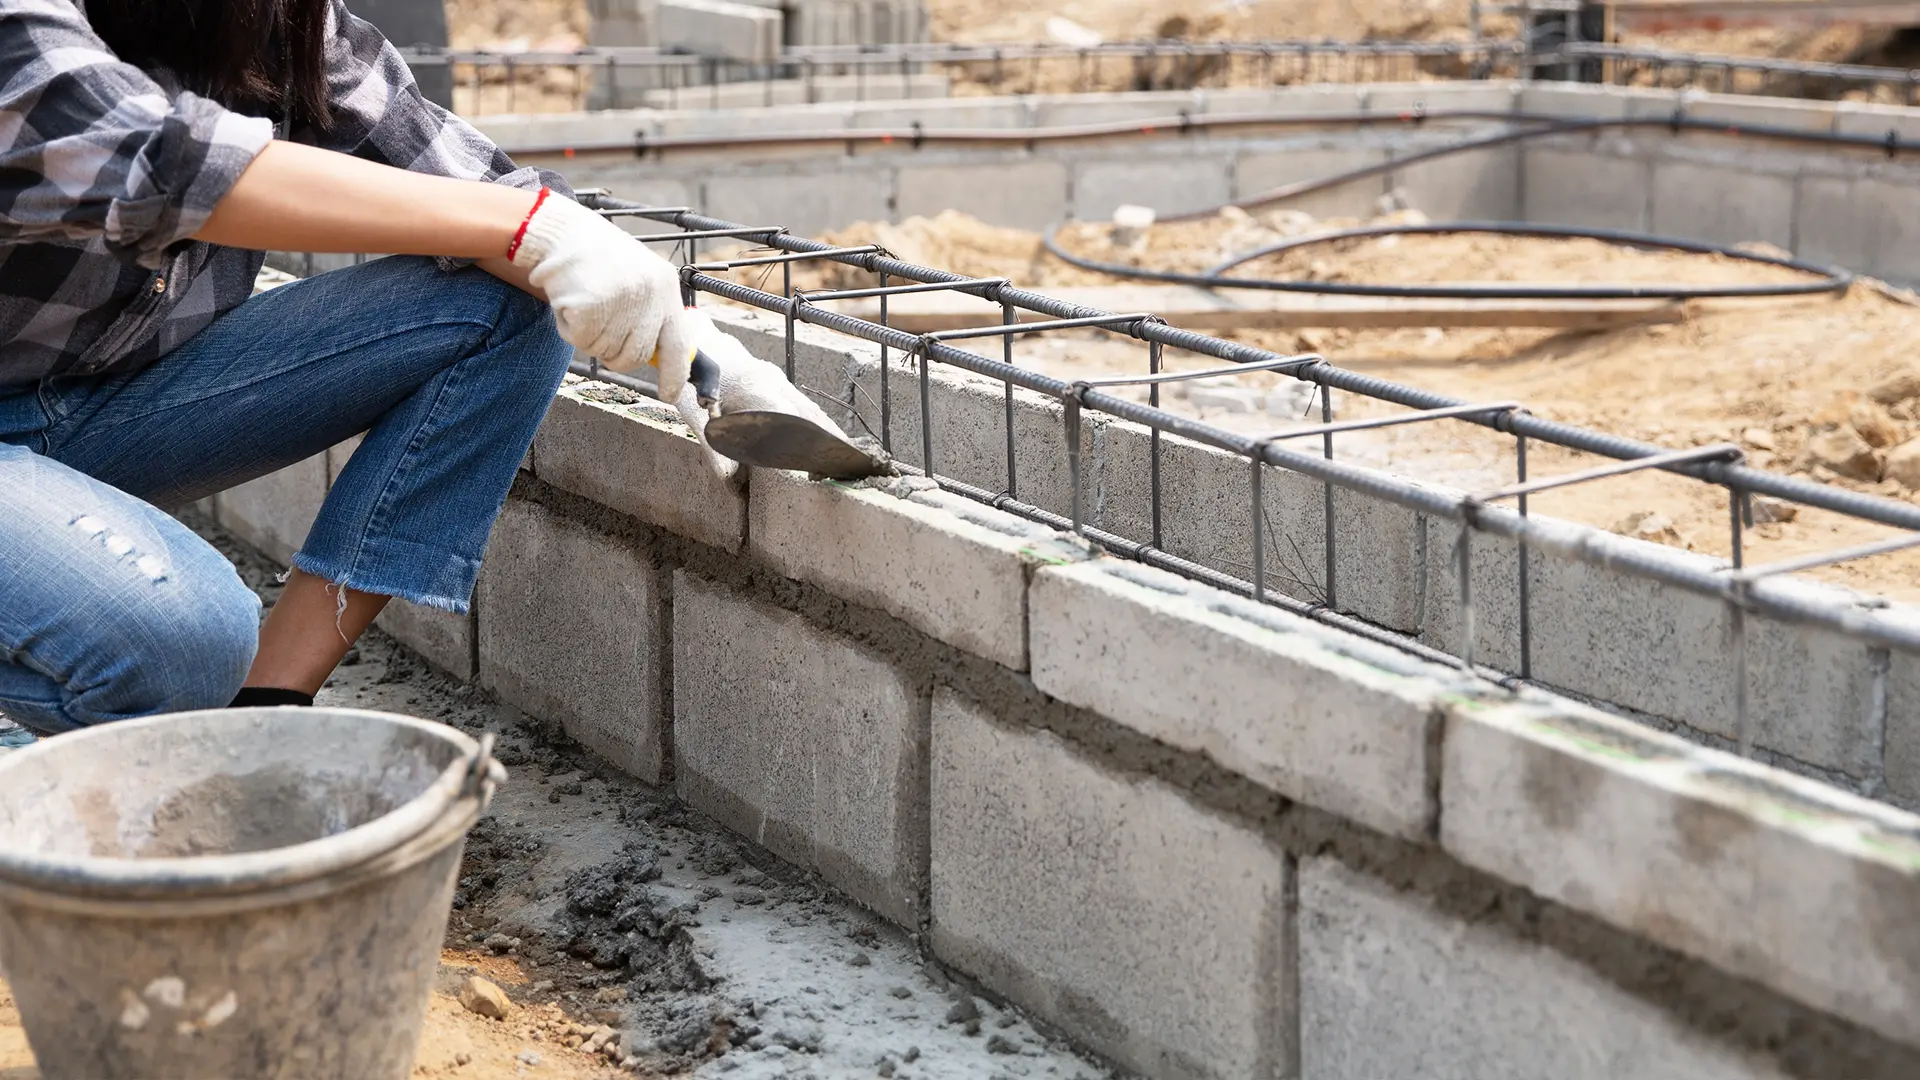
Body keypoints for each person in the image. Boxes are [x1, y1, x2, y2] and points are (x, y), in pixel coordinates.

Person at [0, 0, 728, 734]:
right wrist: (524, 230)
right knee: (178, 643)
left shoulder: (273, 19)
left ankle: (264, 719)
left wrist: (690, 343)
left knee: (503, 304)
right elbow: (149, 154)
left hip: (92, 403)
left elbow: (467, 179)